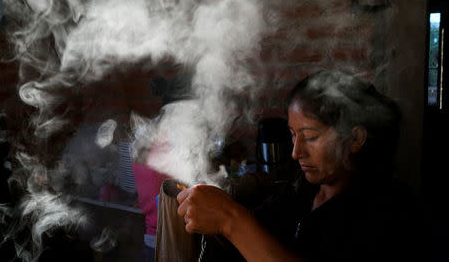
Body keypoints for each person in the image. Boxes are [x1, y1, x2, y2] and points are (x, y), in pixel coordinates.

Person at [176, 70, 426, 262]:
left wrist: (230, 218)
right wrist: (214, 211)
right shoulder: (302, 191)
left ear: (355, 139)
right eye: (293, 135)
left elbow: (241, 226)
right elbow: (254, 232)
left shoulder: (387, 210)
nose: (296, 153)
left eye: (311, 137)